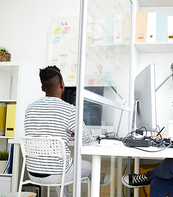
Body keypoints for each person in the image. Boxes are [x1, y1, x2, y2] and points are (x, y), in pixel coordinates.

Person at [24, 66, 111, 197]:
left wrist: (63, 132)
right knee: (90, 166)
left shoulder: (29, 109)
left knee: (62, 161)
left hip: (33, 172)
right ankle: (97, 179)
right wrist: (71, 132)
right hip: (57, 173)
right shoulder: (69, 110)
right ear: (62, 84)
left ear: (43, 88)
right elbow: (86, 139)